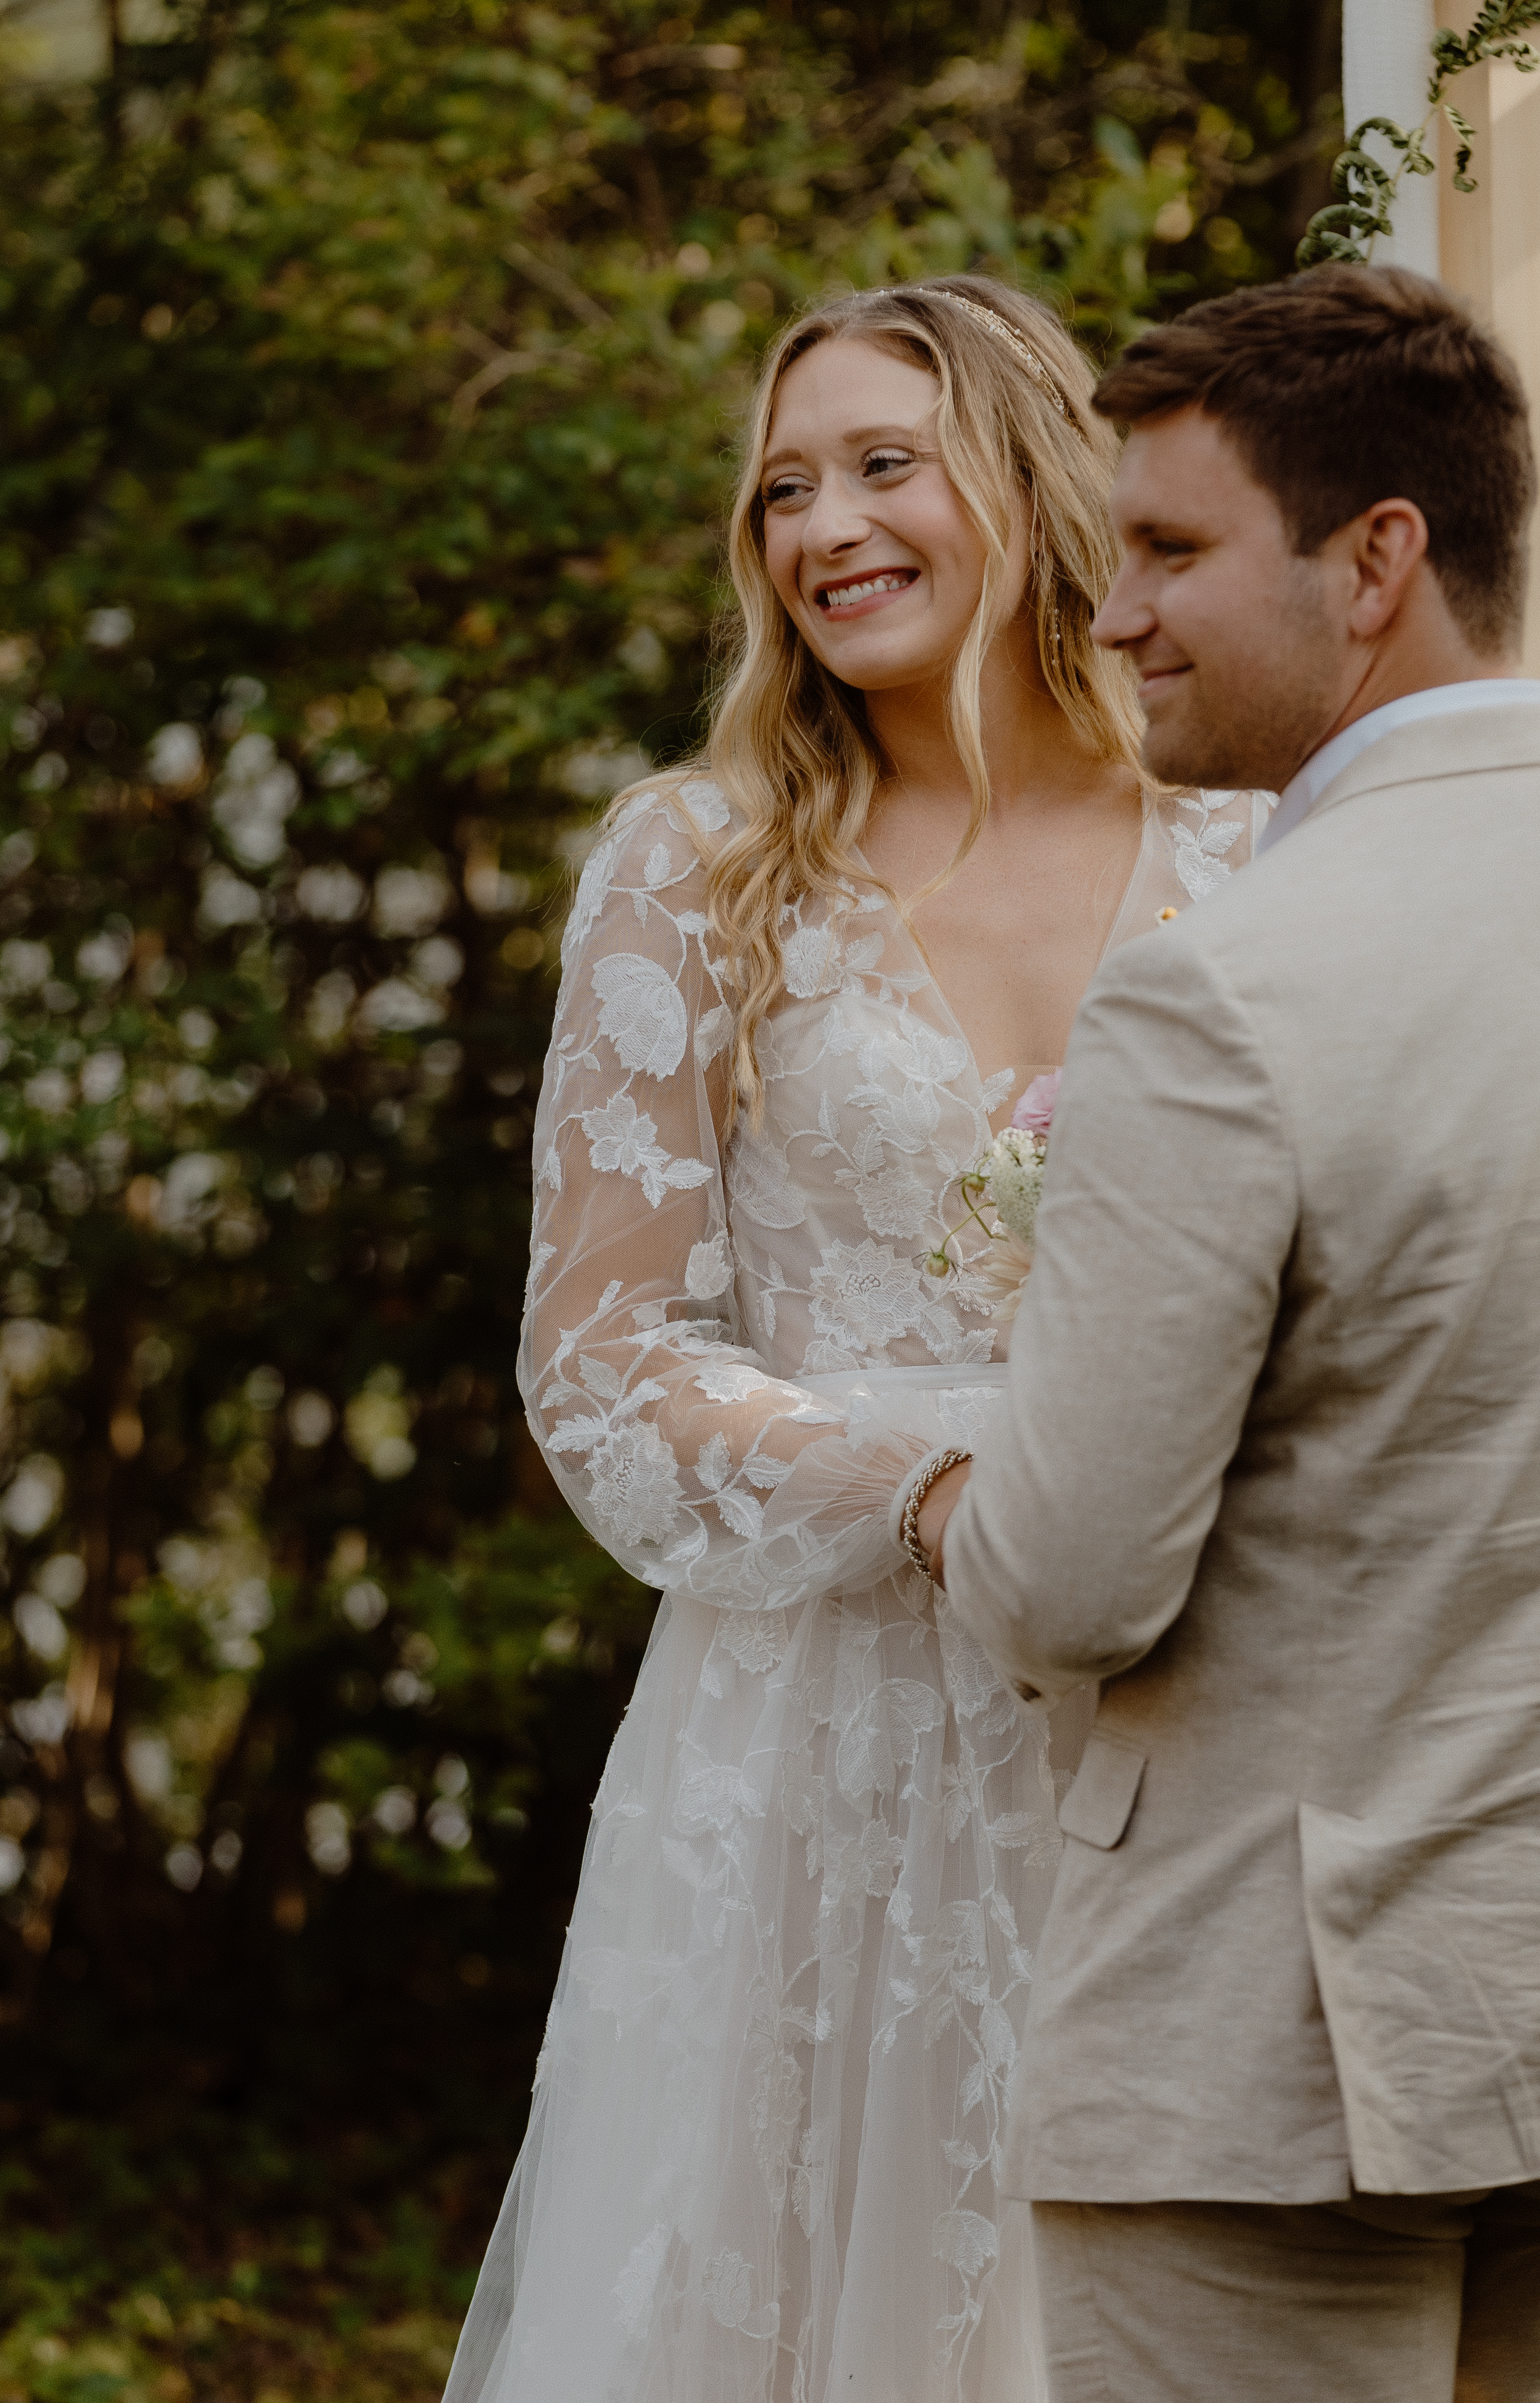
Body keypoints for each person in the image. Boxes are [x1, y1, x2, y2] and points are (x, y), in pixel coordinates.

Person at [911, 262, 1540, 2403]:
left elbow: (1076, 1577)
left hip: (1269, 2042)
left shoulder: (1221, 992)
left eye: (1172, 549)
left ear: (1378, 556)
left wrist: (942, 1498)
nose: (1113, 615)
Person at [441, 276, 1260, 2403]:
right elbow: (605, 1358)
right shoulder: (698, 867)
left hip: (1188, 1702)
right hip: (827, 1739)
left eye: (883, 463)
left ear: (1025, 476)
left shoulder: (1249, 843)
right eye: (783, 488)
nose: (823, 527)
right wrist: (920, 1487)